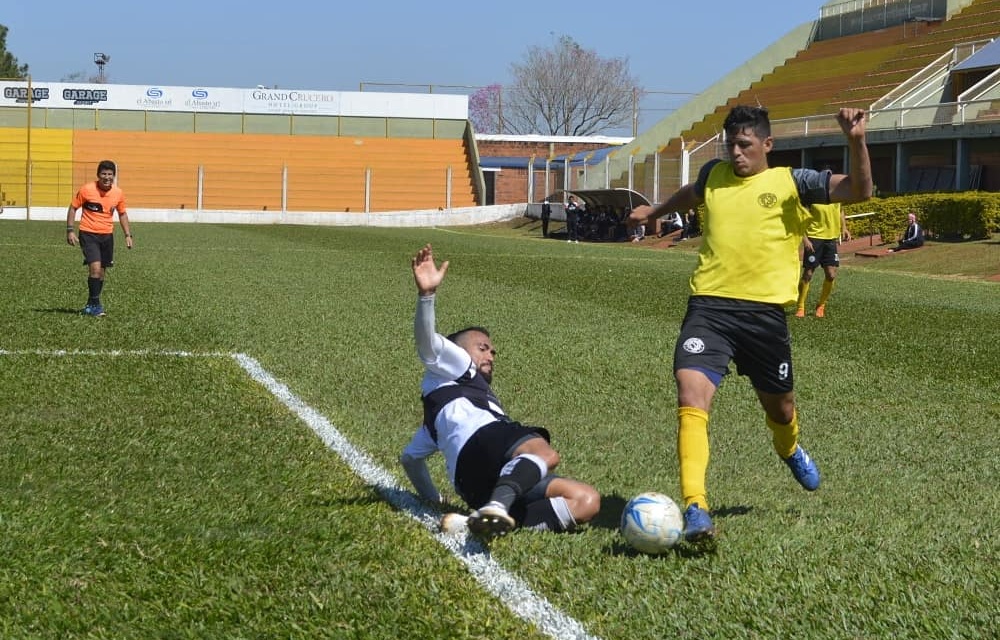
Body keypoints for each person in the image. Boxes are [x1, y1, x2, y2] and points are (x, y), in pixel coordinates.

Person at [627, 105, 872, 543]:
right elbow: (692, 193)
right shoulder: (713, 175)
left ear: (767, 145)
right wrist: (655, 211)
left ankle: (789, 448)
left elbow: (858, 191)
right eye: (731, 145)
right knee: (691, 393)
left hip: (764, 317)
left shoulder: (793, 182)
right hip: (710, 309)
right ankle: (696, 507)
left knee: (781, 409)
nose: (736, 153)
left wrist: (856, 141)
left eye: (745, 145)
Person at [400, 244, 600, 537]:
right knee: (541, 452)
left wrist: (432, 499)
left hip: (471, 483)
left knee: (586, 501)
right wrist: (427, 296)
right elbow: (428, 346)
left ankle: (476, 521)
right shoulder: (460, 367)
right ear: (456, 351)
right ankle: (497, 504)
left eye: (493, 351)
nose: (490, 355)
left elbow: (411, 459)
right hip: (487, 442)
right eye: (482, 348)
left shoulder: (435, 416)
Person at [66, 160, 133, 317]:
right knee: (95, 269)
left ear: (114, 176)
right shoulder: (86, 190)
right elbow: (73, 207)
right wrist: (70, 230)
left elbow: (122, 213)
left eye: (110, 174)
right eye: (104, 174)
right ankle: (96, 306)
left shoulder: (118, 193)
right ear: (98, 175)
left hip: (107, 236)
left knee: (101, 272)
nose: (107, 177)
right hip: (88, 233)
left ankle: (91, 304)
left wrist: (128, 235)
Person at [795, 202, 850, 318]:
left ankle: (821, 305)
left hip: (831, 240)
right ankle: (800, 306)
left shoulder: (836, 195)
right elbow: (800, 217)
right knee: (808, 274)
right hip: (814, 238)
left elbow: (841, 210)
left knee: (831, 275)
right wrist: (805, 239)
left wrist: (844, 228)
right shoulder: (813, 196)